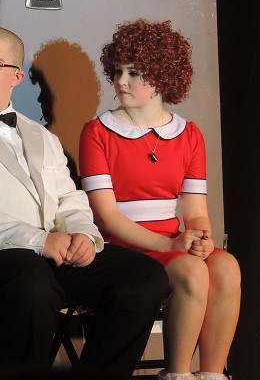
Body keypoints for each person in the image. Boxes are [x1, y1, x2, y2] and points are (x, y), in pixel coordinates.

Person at [0, 26, 169, 379]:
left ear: (17, 77)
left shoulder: (42, 135)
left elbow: (69, 198)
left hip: (51, 254)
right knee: (31, 280)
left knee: (144, 276)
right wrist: (39, 240)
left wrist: (82, 234)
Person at [78, 19, 241, 380]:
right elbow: (106, 217)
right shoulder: (97, 132)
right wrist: (170, 245)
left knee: (226, 267)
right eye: (117, 71)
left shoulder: (189, 135)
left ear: (162, 76)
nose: (121, 81)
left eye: (134, 73)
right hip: (122, 248)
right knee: (191, 270)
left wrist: (200, 238)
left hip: (173, 244)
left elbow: (196, 213)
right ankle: (178, 374)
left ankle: (212, 374)